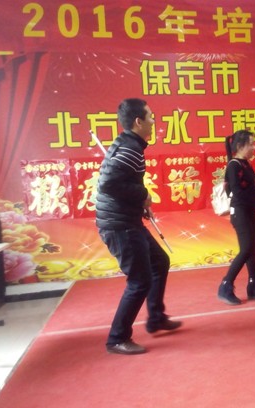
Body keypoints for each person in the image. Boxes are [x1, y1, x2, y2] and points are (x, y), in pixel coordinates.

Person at [96, 98, 181, 354]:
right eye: (151, 117)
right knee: (139, 281)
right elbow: (108, 184)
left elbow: (121, 182)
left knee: (159, 261)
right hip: (119, 224)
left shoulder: (128, 144)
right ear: (138, 121)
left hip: (127, 219)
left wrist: (140, 201)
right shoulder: (130, 148)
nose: (154, 122)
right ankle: (117, 338)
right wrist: (143, 194)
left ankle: (155, 317)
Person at [217, 130, 255, 305]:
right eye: (251, 144)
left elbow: (250, 190)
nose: (254, 147)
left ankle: (253, 286)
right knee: (246, 249)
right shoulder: (234, 165)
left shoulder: (245, 164)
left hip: (249, 211)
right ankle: (225, 285)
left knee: (251, 249)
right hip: (240, 212)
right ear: (240, 146)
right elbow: (238, 193)